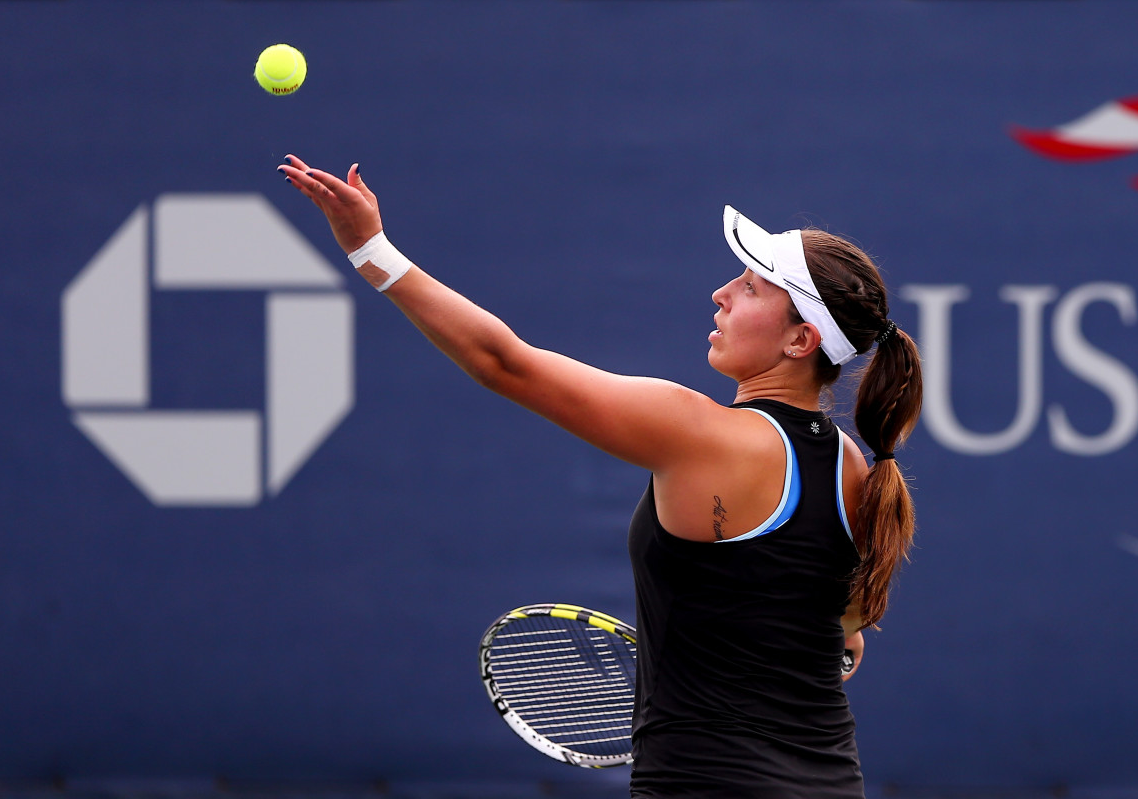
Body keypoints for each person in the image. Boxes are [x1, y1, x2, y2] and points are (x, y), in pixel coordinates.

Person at [277, 156, 923, 799]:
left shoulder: (699, 433)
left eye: (752, 288)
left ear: (800, 341)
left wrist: (371, 251)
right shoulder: (853, 465)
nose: (722, 293)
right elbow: (844, 629)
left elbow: (504, 363)